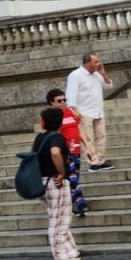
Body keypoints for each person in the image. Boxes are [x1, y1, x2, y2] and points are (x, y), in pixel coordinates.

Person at [36, 107, 81, 260]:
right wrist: (61, 173)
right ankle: (60, 254)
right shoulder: (57, 137)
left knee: (60, 218)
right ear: (60, 122)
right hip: (55, 181)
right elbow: (55, 153)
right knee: (59, 220)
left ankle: (70, 250)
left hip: (44, 181)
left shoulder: (40, 137)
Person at [65, 52, 115, 171]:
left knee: (101, 136)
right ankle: (93, 162)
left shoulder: (98, 74)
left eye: (98, 61)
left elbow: (109, 86)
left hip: (98, 110)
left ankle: (101, 161)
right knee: (88, 139)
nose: (99, 64)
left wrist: (103, 73)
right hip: (84, 111)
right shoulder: (75, 75)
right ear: (87, 63)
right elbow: (70, 94)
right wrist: (74, 110)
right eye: (96, 62)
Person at [46, 88, 89, 217]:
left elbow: (79, 131)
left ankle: (72, 205)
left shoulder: (70, 112)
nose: (63, 102)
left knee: (74, 178)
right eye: (59, 101)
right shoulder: (50, 117)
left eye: (64, 100)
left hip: (75, 150)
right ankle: (79, 203)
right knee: (72, 178)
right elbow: (48, 134)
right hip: (64, 152)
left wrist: (89, 147)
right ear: (51, 103)